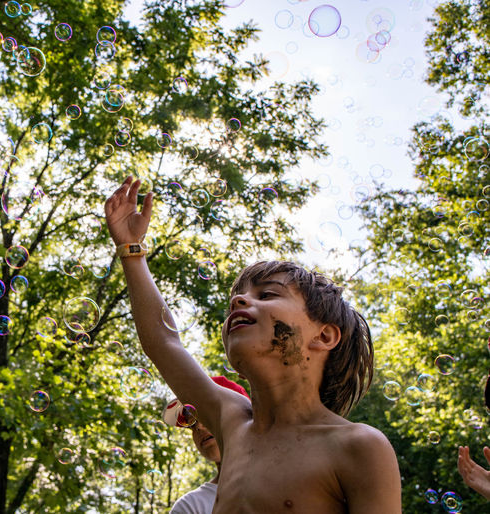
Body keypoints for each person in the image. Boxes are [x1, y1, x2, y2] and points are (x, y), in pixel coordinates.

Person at [105, 176, 401, 513]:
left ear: (324, 336)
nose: (240, 301)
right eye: (237, 296)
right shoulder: (231, 423)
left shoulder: (358, 447)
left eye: (267, 294)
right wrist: (131, 251)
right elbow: (164, 343)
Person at [163, 376, 249, 513]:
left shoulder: (285, 481)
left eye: (208, 415)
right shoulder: (190, 506)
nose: (199, 427)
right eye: (192, 424)